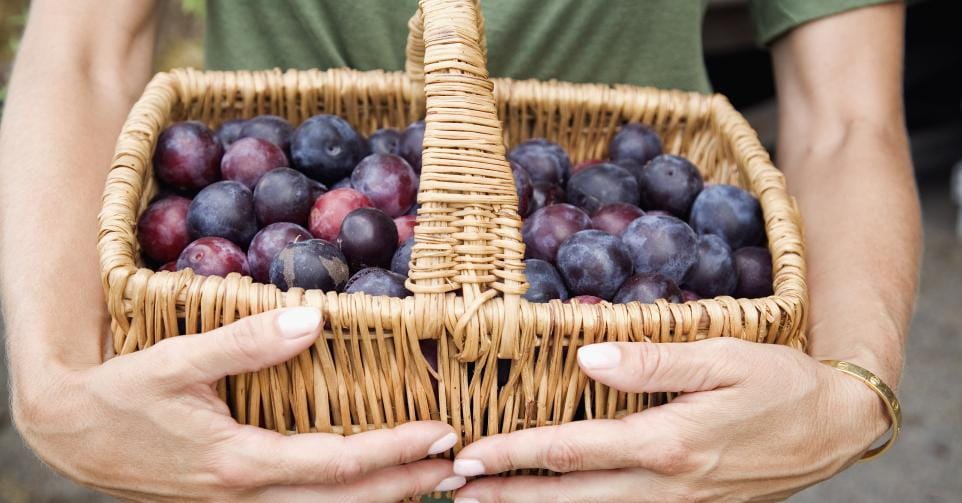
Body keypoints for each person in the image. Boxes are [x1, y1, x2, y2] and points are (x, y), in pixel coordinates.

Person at [0, 0, 920, 501]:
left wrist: (855, 389)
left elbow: (850, 119)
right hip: (269, 402)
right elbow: (81, 50)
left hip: (638, 417)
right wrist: (51, 383)